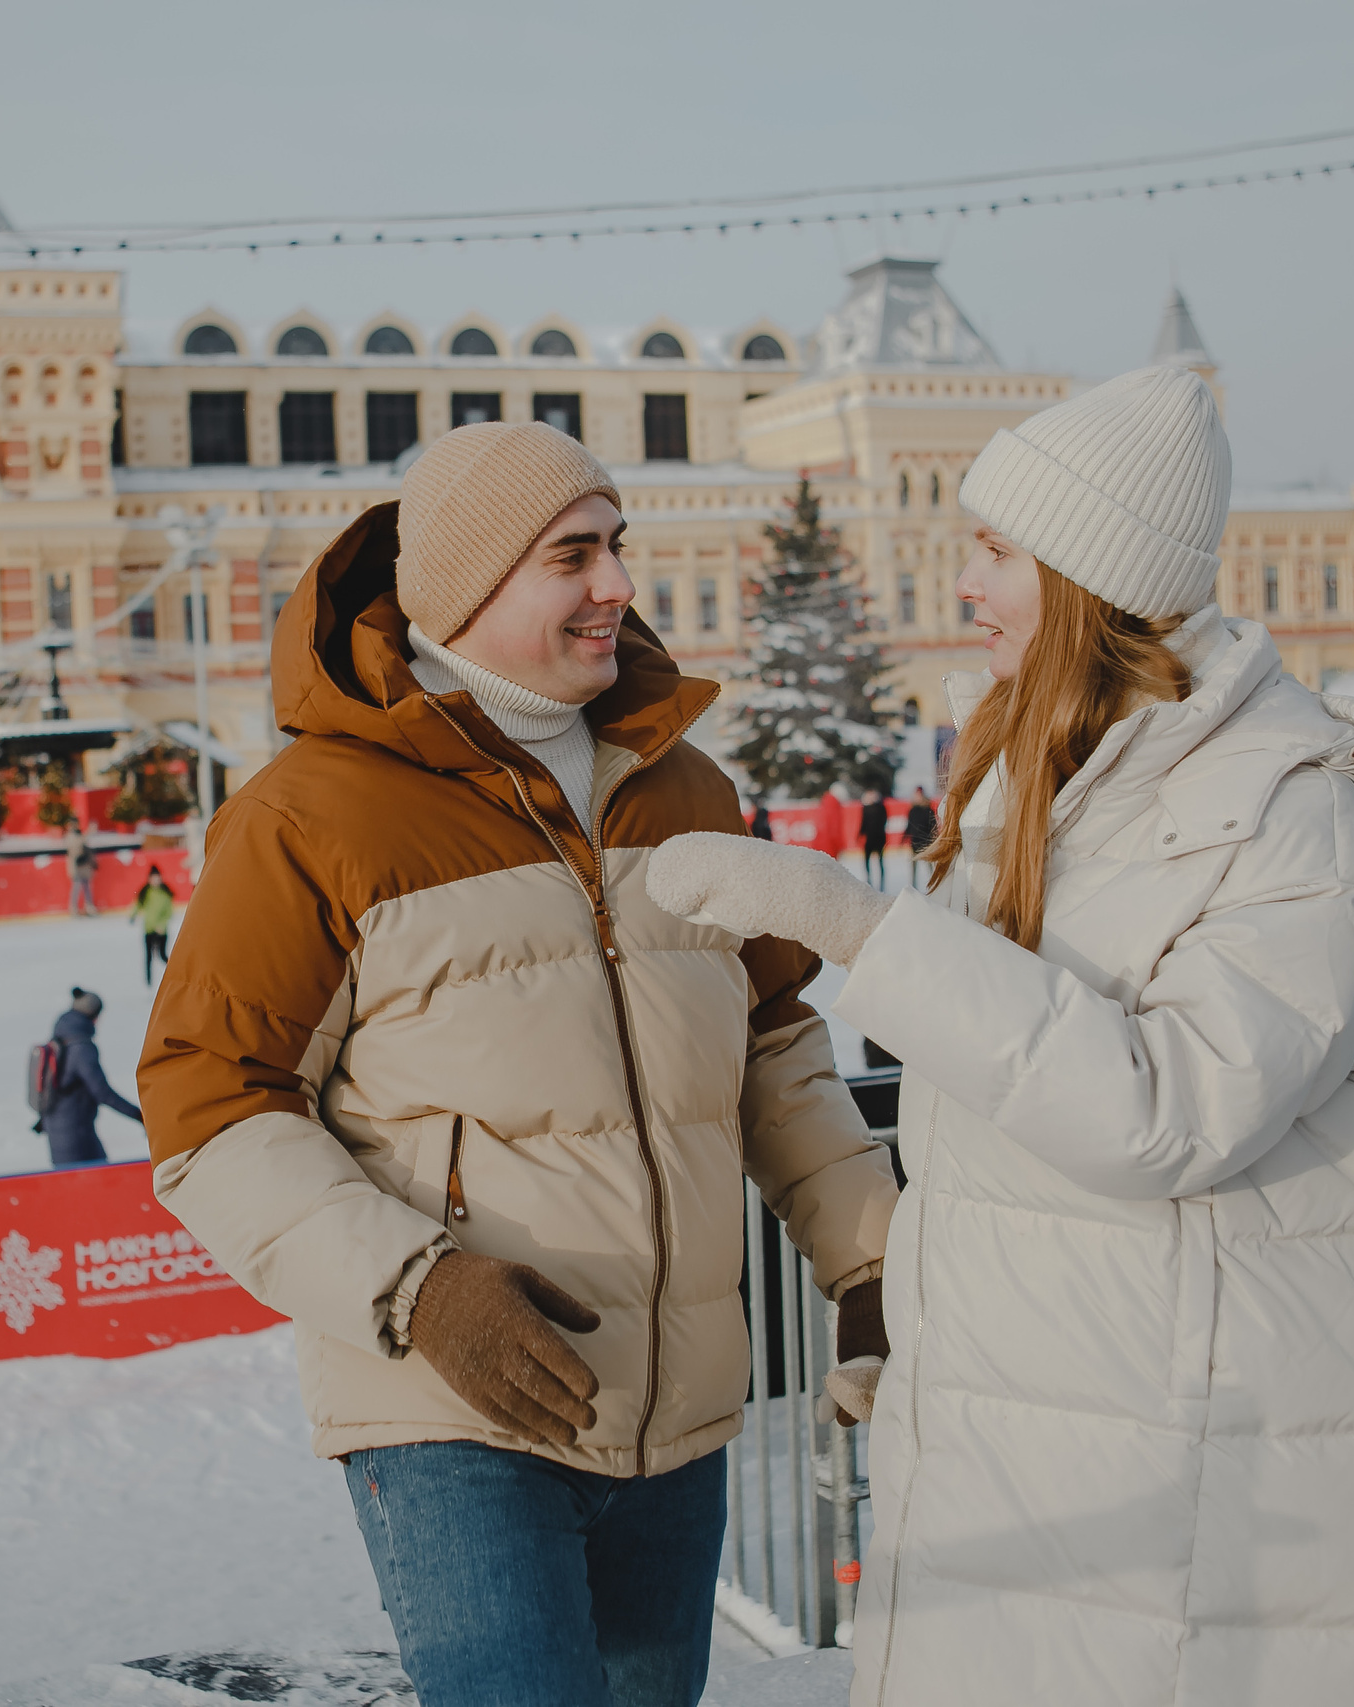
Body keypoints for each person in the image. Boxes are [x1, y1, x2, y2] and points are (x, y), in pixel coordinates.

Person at [646, 365, 1354, 1707]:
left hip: (1200, 1490)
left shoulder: (1295, 812)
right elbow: (1020, 1120)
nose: (963, 582)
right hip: (1049, 1439)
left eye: (996, 549)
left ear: (1088, 573)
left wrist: (859, 925)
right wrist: (933, 1340)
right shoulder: (1045, 778)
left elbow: (1168, 1110)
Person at [137, 421, 898, 1707]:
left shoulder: (685, 791)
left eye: (617, 550)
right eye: (573, 556)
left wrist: (873, 1263)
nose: (616, 587)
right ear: (467, 587)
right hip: (454, 1414)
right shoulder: (311, 815)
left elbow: (775, 1054)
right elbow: (208, 1110)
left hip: (677, 1409)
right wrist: (419, 1292)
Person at [42, 987, 140, 1166]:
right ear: (94, 1016)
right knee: (91, 1185)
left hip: (57, 1129)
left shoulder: (59, 1039)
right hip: (75, 1135)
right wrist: (139, 1115)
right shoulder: (81, 1048)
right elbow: (102, 1092)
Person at [130, 866, 175, 985]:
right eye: (153, 878)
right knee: (148, 956)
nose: (156, 881)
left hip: (161, 931)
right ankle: (148, 982)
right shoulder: (146, 893)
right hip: (149, 929)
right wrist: (133, 915)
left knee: (162, 954)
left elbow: (168, 913)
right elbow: (138, 905)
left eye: (158, 878)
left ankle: (175, 972)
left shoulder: (165, 894)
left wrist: (162, 925)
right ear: (149, 879)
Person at [902, 785, 937, 887]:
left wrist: (933, 838)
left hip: (926, 841)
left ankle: (933, 885)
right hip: (915, 842)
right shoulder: (912, 810)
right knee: (913, 867)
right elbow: (909, 825)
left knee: (929, 866)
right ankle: (913, 886)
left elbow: (933, 825)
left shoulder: (928, 809)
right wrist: (904, 837)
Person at [857, 788, 888, 890]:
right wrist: (859, 834)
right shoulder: (866, 809)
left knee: (880, 860)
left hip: (878, 838)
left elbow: (883, 821)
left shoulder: (881, 808)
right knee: (866, 859)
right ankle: (869, 879)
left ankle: (882, 881)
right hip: (870, 838)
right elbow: (863, 823)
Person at [64, 822, 97, 917]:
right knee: (76, 888)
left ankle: (89, 907)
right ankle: (73, 908)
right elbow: (77, 846)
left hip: (84, 866)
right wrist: (89, 833)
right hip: (76, 867)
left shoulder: (79, 836)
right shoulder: (70, 837)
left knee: (87, 888)